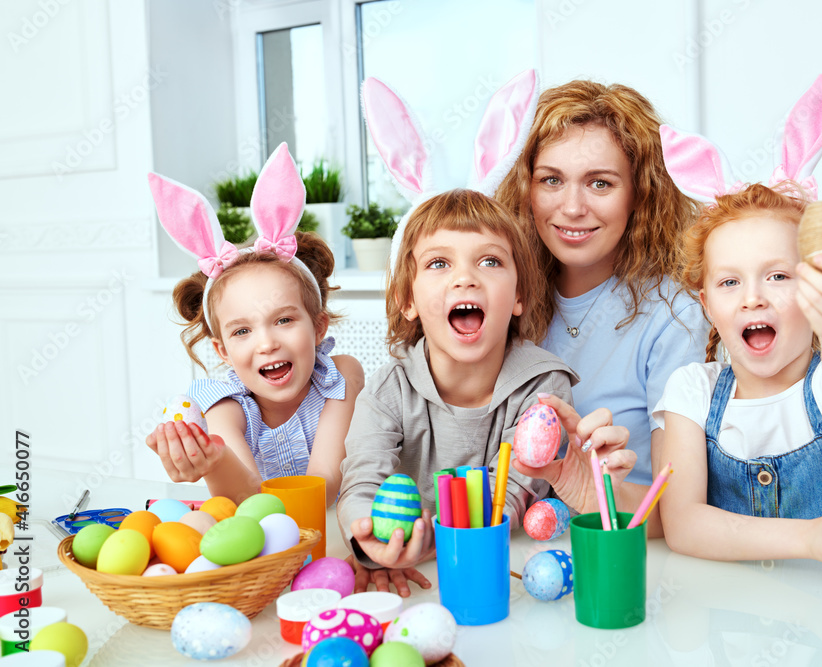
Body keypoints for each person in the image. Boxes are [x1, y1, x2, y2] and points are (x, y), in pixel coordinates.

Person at [336, 189, 578, 594]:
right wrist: (370, 540)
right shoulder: (386, 390)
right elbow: (362, 481)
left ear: (518, 296)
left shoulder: (543, 386)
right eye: (438, 263)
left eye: (490, 261)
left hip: (506, 570)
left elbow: (514, 495)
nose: (465, 277)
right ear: (406, 300)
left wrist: (435, 541)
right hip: (418, 579)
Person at [495, 80, 709, 535]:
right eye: (551, 180)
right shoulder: (502, 297)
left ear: (640, 195)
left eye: (600, 183)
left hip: (627, 554)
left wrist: (580, 482)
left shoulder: (675, 312)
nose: (572, 207)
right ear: (525, 189)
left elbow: (674, 510)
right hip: (511, 546)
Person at [653, 183, 822, 568]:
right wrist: (811, 537)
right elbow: (682, 524)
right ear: (707, 304)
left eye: (778, 276)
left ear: (814, 289)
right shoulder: (693, 390)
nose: (753, 298)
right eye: (730, 282)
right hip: (725, 620)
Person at [144, 144, 364, 507]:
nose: (266, 344)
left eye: (284, 320)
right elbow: (247, 507)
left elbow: (323, 487)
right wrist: (214, 461)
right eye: (242, 331)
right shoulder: (225, 407)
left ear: (319, 327)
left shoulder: (339, 376)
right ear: (222, 351)